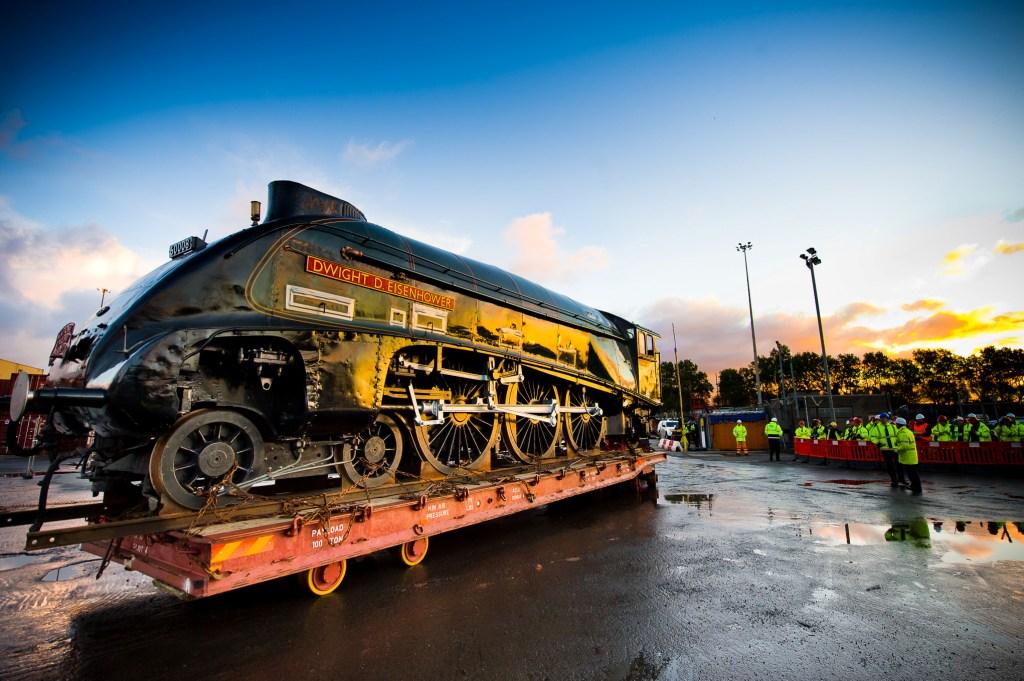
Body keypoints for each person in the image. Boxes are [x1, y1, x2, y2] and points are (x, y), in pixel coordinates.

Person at [874, 412, 907, 488]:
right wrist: (877, 443)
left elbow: (898, 435)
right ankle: (894, 480)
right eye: (882, 418)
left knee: (899, 465)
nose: (883, 420)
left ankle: (901, 479)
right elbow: (872, 437)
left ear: (887, 419)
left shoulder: (893, 426)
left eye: (885, 418)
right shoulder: (877, 428)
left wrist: (898, 443)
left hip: (895, 448)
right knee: (890, 466)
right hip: (885, 449)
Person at [894, 416, 922, 495]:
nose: (896, 425)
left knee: (912, 473)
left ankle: (917, 487)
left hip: (908, 456)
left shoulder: (902, 433)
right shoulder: (908, 431)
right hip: (911, 455)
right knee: (913, 473)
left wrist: (896, 449)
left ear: (899, 424)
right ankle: (915, 486)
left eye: (896, 424)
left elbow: (904, 446)